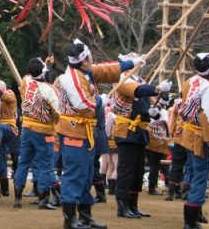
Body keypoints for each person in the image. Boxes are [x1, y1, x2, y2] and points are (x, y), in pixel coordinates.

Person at [56, 39, 144, 229]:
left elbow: (105, 70)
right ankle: (70, 220)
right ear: (84, 59)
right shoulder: (71, 78)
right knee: (74, 175)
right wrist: (100, 101)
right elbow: (83, 104)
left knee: (87, 175)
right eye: (89, 56)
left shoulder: (84, 71)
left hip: (86, 132)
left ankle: (85, 216)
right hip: (74, 132)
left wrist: (132, 64)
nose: (92, 58)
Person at [111, 62, 172, 221]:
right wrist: (157, 88)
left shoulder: (140, 81)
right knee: (126, 170)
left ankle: (133, 205)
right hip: (127, 130)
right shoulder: (124, 78)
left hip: (140, 131)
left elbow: (146, 105)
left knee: (137, 172)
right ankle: (122, 206)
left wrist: (152, 112)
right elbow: (138, 91)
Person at [176, 54, 209, 229]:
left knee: (194, 172)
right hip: (200, 136)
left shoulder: (189, 82)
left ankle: (192, 216)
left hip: (187, 132)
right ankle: (191, 219)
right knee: (200, 176)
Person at [0, 79, 19, 200]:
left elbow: (5, 97)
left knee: (16, 158)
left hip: (11, 128)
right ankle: (5, 189)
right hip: (1, 132)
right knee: (0, 159)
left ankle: (19, 184)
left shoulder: (9, 93)